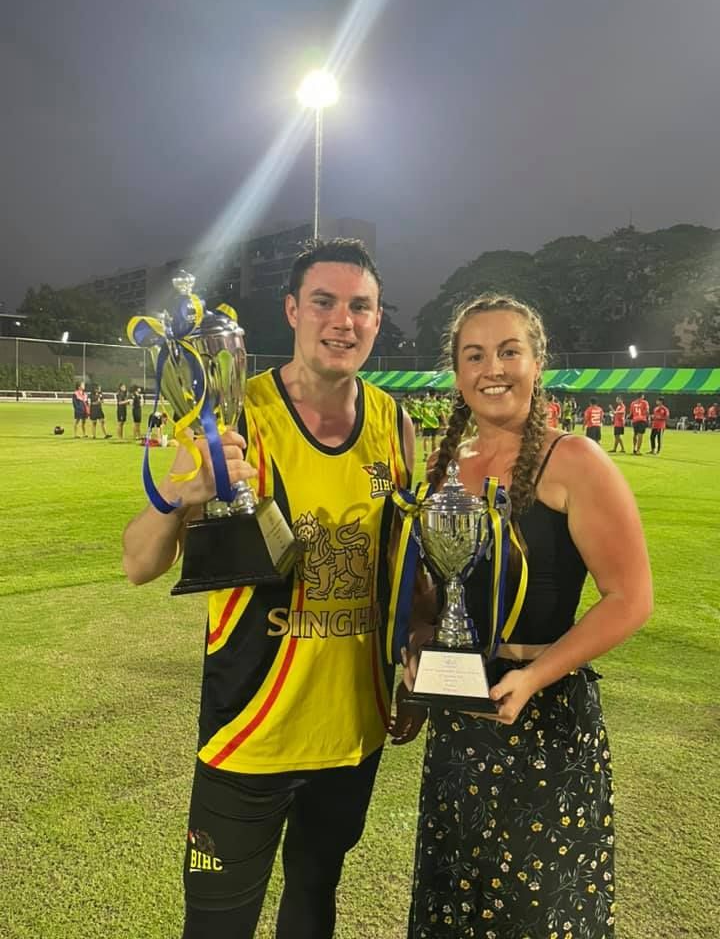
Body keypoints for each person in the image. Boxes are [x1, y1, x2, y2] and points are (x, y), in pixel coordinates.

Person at [122, 239, 415, 939]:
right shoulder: (228, 415)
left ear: (377, 321)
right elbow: (138, 563)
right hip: (247, 733)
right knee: (216, 926)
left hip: (353, 732)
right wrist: (176, 494)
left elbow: (405, 569)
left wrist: (419, 662)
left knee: (314, 900)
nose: (342, 321)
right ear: (291, 310)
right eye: (324, 302)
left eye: (361, 306)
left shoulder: (395, 424)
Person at [391, 293, 652, 939]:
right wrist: (417, 649)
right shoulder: (443, 471)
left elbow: (630, 599)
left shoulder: (576, 462)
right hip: (460, 734)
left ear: (537, 363)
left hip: (547, 730)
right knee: (456, 909)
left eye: (510, 351)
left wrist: (534, 678)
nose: (493, 368)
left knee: (539, 917)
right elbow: (433, 596)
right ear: (456, 374)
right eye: (473, 355)